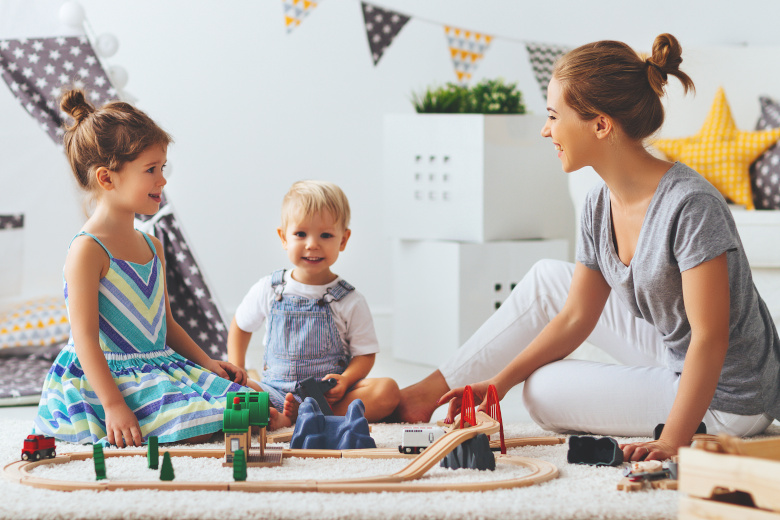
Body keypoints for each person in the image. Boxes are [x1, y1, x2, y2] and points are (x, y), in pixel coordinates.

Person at [394, 33, 780, 462]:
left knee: (540, 392)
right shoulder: (599, 203)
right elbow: (578, 315)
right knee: (546, 277)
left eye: (554, 116)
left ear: (600, 124)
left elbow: (711, 336)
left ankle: (673, 411)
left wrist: (672, 440)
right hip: (677, 352)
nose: (546, 130)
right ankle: (433, 389)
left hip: (732, 396)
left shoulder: (691, 205)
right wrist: (499, 384)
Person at [33, 90, 279, 447]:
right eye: (151, 170)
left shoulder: (153, 246)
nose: (162, 180)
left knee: (256, 402)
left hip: (157, 367)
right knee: (206, 421)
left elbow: (166, 324)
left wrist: (207, 362)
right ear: (107, 178)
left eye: (162, 168)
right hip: (107, 379)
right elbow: (85, 340)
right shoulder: (87, 250)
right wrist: (114, 405)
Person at [227, 180, 400, 425]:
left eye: (326, 235)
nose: (312, 244)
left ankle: (306, 418)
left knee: (387, 391)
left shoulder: (349, 300)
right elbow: (240, 326)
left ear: (343, 239)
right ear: (283, 237)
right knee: (234, 396)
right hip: (275, 392)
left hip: (328, 398)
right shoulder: (270, 288)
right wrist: (238, 370)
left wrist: (347, 380)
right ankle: (285, 416)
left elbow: (365, 355)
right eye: (300, 234)